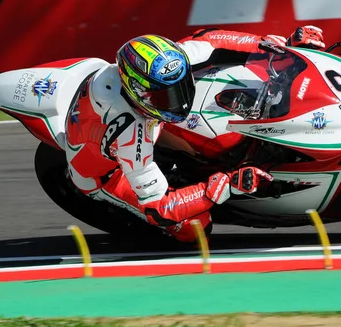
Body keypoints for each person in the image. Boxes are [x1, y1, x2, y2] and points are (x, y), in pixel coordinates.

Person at [64, 25, 326, 244]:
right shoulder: (129, 135)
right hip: (109, 174)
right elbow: (160, 209)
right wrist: (222, 187)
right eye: (164, 96)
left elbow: (210, 39)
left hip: (140, 122)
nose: (178, 100)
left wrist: (274, 46)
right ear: (137, 92)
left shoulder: (167, 64)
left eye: (180, 87)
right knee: (194, 230)